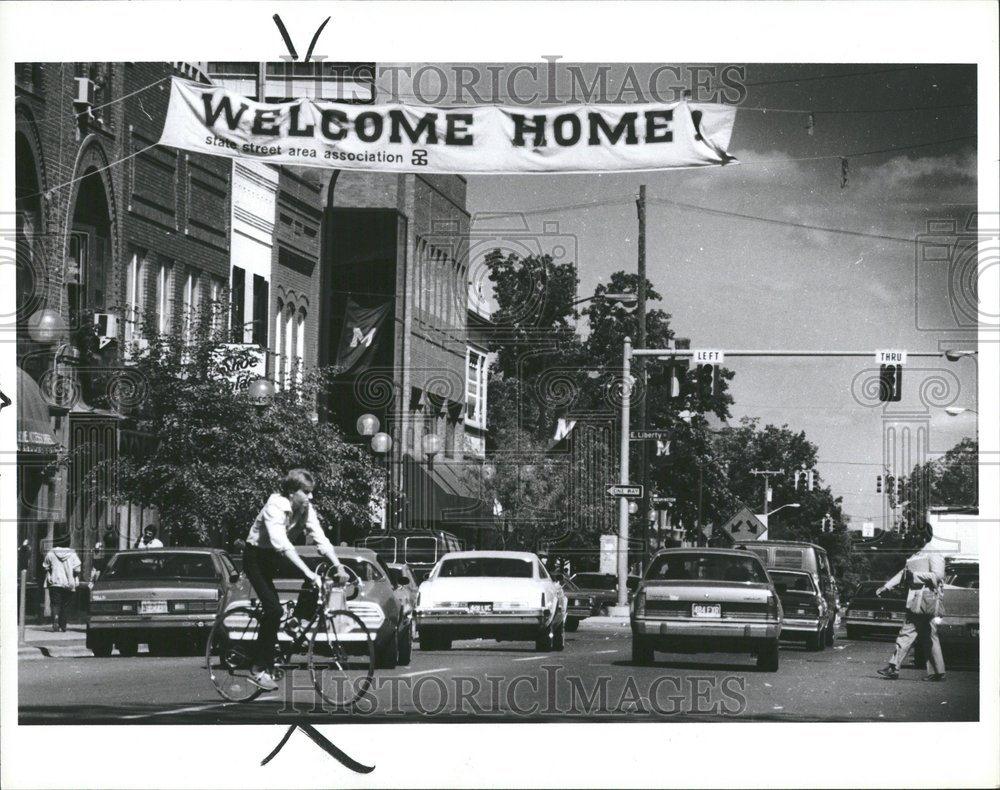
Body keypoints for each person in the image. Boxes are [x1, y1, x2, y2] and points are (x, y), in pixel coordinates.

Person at [243, 468, 347, 692]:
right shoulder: (275, 506)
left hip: (275, 556)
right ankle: (258, 668)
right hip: (256, 557)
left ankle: (297, 622)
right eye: (306, 492)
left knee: (315, 578)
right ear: (292, 492)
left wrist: (337, 564)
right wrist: (307, 573)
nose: (311, 497)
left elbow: (320, 537)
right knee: (273, 610)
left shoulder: (305, 508)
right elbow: (281, 544)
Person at [876, 532, 946, 681]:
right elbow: (904, 574)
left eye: (917, 537)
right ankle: (937, 672)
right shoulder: (916, 554)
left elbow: (938, 575)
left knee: (908, 634)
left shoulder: (933, 553)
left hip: (925, 601)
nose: (914, 539)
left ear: (926, 537)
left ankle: (894, 667)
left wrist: (915, 576)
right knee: (927, 636)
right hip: (916, 601)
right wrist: (886, 586)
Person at [43, 541, 81, 632]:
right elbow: (77, 569)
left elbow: (45, 566)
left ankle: (55, 618)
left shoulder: (51, 552)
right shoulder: (72, 553)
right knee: (65, 604)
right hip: (68, 583)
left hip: (55, 582)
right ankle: (63, 625)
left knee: (55, 603)